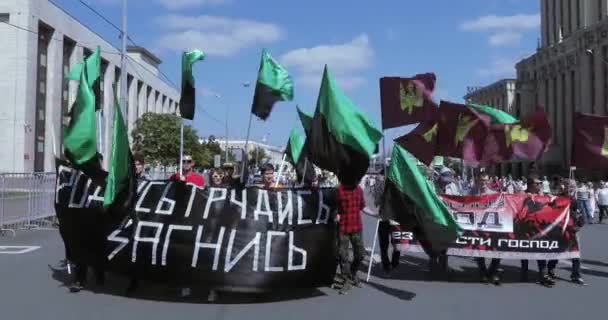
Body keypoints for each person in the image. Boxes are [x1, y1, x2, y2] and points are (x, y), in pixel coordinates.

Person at [520, 174, 555, 287]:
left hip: (539, 227)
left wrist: (550, 197)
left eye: (540, 183)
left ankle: (543, 274)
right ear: (530, 185)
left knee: (541, 250)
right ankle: (524, 272)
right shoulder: (523, 195)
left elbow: (554, 204)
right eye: (537, 183)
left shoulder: (544, 195)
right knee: (524, 250)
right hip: (525, 226)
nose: (540, 185)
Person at [471, 173, 501, 285]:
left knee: (497, 250)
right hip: (477, 226)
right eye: (481, 180)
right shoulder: (472, 193)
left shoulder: (495, 194)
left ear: (488, 181)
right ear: (478, 181)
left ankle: (493, 272)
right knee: (479, 249)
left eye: (485, 180)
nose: (483, 182)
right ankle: (483, 272)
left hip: (492, 226)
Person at [336, 182, 366, 295]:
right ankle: (346, 281)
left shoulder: (359, 190)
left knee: (361, 254)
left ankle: (353, 272)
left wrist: (376, 214)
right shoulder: (339, 190)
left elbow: (363, 207)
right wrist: (336, 214)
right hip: (343, 228)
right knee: (343, 256)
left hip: (356, 227)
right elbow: (335, 207)